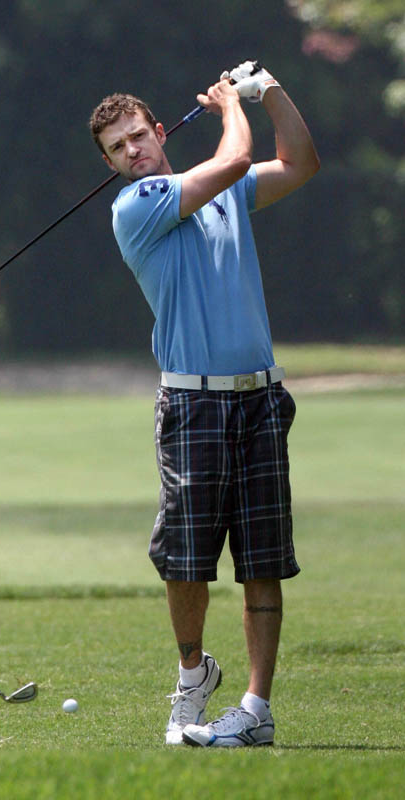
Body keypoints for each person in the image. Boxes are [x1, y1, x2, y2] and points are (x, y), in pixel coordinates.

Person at [89, 61, 319, 748]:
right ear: (111, 163)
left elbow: (300, 162)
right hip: (192, 405)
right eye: (117, 148)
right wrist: (229, 104)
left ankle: (255, 709)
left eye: (137, 136)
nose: (132, 151)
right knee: (187, 560)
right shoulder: (137, 206)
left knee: (262, 560)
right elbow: (239, 154)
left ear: (160, 132)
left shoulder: (224, 192)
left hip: (258, 399)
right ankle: (194, 674)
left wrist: (272, 89)